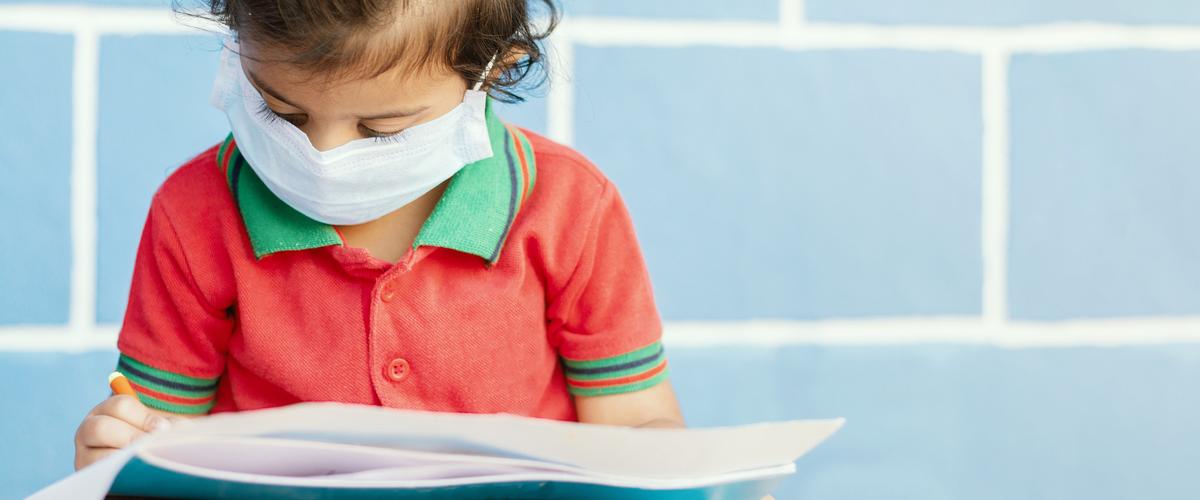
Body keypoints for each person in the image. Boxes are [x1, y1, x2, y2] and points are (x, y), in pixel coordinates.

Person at [74, 0, 683, 470]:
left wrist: (686, 480)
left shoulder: (569, 207)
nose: (323, 153)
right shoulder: (195, 211)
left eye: (382, 128)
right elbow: (155, 441)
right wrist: (114, 460)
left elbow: (632, 426)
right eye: (281, 112)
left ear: (494, 72)